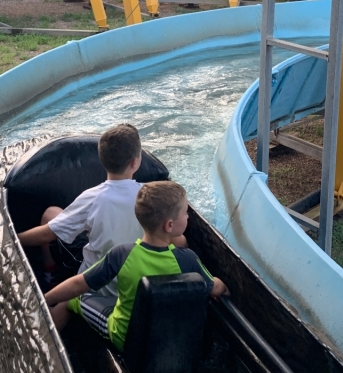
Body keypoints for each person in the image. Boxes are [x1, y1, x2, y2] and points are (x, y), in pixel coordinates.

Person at [44, 181, 227, 349]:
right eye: (185, 212)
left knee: (73, 298)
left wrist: (44, 299)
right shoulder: (187, 259)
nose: (188, 216)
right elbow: (215, 287)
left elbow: (78, 284)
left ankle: (44, 339)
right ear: (169, 225)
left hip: (124, 337)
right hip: (166, 340)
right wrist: (224, 287)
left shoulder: (121, 254)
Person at [18, 123, 157, 288]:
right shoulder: (151, 194)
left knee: (51, 213)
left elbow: (46, 235)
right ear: (135, 162)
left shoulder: (93, 198)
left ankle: (50, 270)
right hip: (140, 277)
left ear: (101, 160)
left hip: (96, 279)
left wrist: (13, 239)